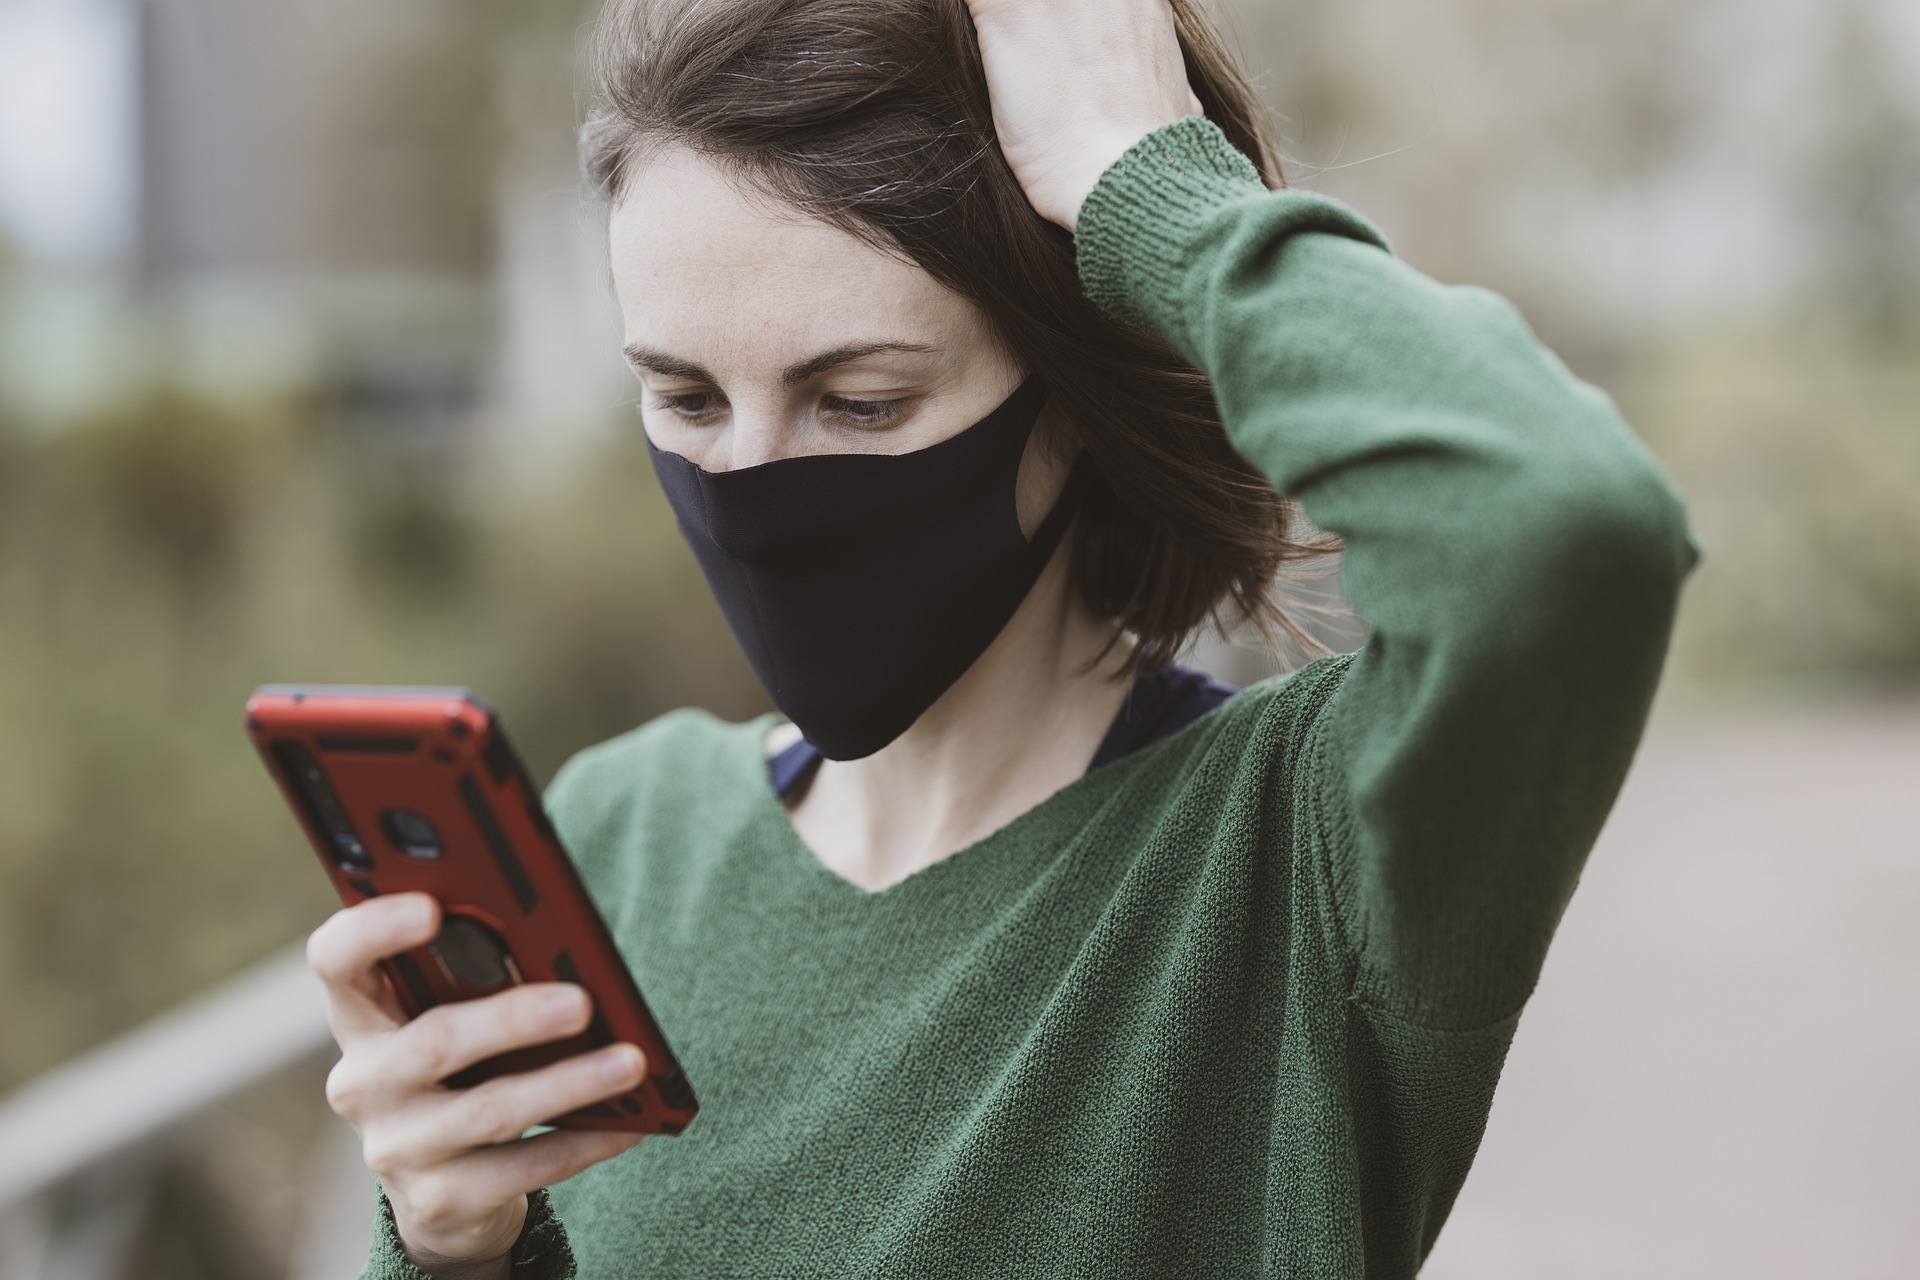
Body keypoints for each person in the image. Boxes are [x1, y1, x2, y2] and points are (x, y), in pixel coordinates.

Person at [307, 0, 1696, 1274]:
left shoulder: (1301, 852)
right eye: (684, 397)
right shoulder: (615, 833)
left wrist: (1141, 184)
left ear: (1075, 390)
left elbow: (1562, 524)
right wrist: (449, 1248)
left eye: (858, 399)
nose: (752, 483)